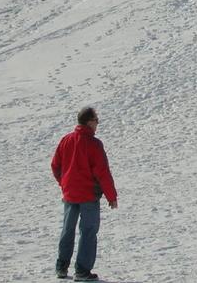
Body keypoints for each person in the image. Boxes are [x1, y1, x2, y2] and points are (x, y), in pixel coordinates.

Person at [51, 106, 118, 281]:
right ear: (89, 122)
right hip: (88, 195)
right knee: (88, 231)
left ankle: (61, 267)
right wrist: (112, 197)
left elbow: (55, 165)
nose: (97, 124)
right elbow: (102, 172)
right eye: (96, 120)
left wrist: (64, 183)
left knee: (67, 230)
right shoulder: (93, 144)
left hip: (70, 195)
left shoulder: (66, 140)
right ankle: (82, 270)